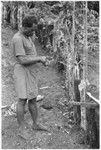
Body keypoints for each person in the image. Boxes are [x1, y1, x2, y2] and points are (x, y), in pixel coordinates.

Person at [11, 15, 48, 139]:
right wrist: (39, 59)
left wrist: (41, 60)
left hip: (31, 72)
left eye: (34, 30)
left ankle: (35, 124)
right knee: (22, 100)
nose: (33, 32)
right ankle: (21, 129)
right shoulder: (17, 38)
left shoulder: (28, 36)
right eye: (31, 29)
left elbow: (30, 54)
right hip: (21, 72)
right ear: (24, 26)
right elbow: (22, 60)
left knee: (32, 98)